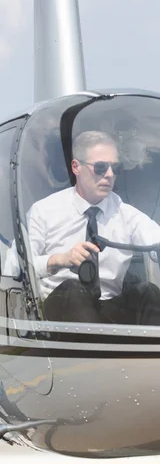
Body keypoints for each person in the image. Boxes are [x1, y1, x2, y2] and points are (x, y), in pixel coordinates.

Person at [28, 130, 160, 324]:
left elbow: (155, 238)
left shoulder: (126, 214)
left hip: (109, 306)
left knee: (148, 293)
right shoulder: (43, 211)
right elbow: (17, 265)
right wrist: (60, 260)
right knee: (73, 290)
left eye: (115, 168)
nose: (109, 175)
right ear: (76, 167)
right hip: (60, 310)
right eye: (100, 167)